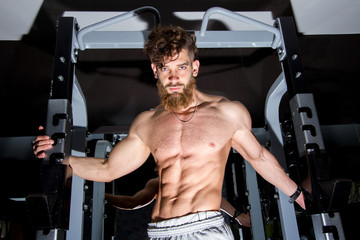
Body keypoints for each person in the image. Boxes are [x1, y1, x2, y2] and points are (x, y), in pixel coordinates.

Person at [33, 25, 305, 239]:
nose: (174, 78)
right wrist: (63, 157)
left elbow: (258, 157)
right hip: (159, 230)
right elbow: (108, 168)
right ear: (155, 71)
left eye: (181, 67)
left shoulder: (227, 112)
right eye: (166, 68)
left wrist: (298, 196)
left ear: (194, 68)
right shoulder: (147, 122)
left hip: (205, 229)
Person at [105, 177, 251, 227]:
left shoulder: (188, 174)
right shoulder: (157, 183)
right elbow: (133, 203)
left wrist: (239, 216)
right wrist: (103, 196)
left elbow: (133, 203)